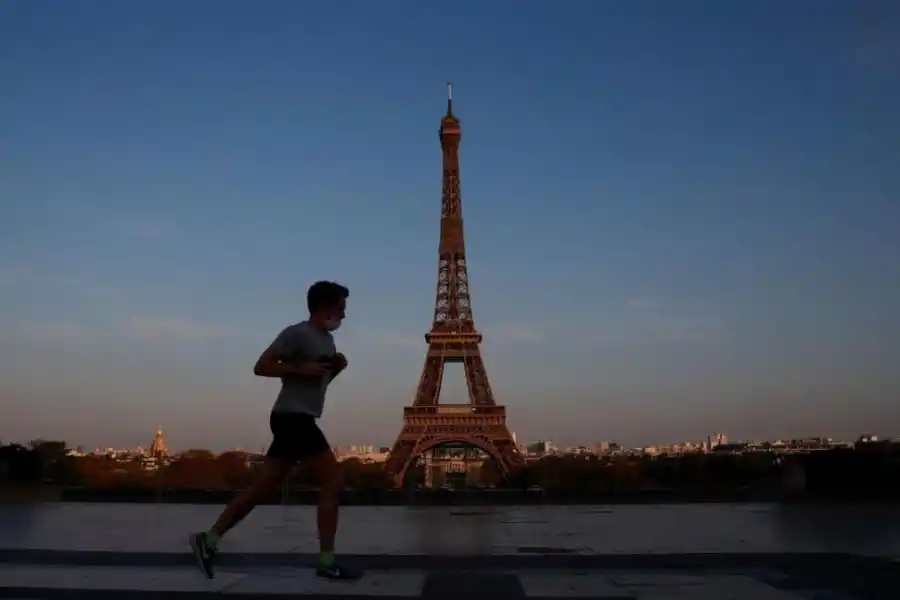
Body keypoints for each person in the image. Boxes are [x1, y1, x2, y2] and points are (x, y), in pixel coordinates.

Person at [189, 280, 360, 581]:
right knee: (333, 481)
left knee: (263, 488)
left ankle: (209, 539)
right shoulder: (297, 333)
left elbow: (315, 386)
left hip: (295, 416)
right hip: (293, 418)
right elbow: (261, 366)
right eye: (341, 309)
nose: (344, 316)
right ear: (325, 307)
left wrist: (334, 370)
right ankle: (326, 561)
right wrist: (299, 369)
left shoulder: (326, 342)